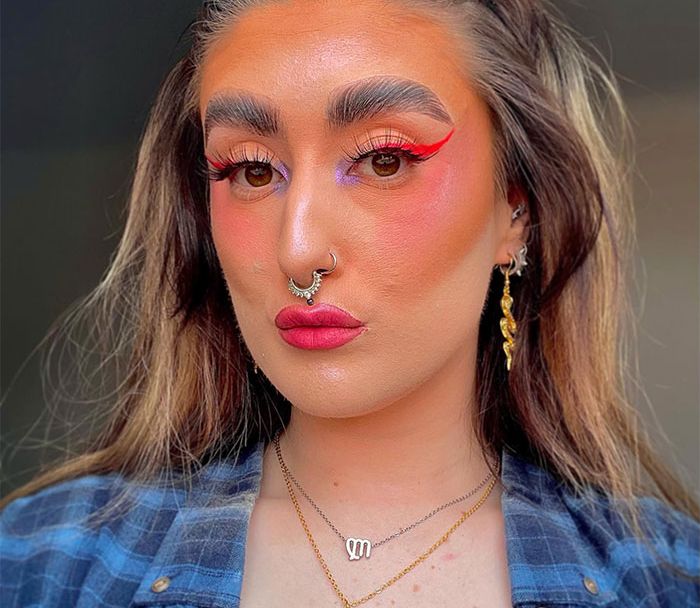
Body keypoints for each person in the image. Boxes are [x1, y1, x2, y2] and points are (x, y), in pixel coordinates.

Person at [1, 0, 698, 606]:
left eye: (383, 160)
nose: (298, 250)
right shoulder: (38, 566)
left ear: (514, 209)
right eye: (251, 169)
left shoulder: (670, 582)